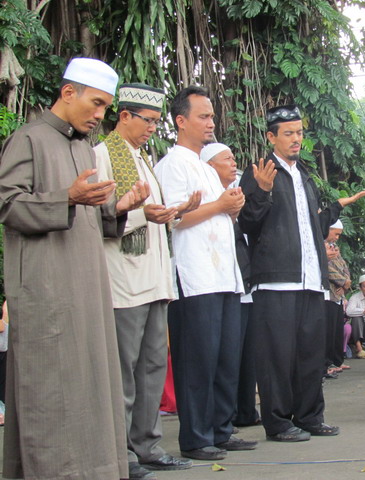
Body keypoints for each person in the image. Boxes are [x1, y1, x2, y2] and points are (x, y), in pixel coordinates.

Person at [0, 57, 150, 479]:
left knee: (90, 388)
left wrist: (117, 207)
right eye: (97, 104)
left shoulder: (82, 146)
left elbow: (90, 213)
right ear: (69, 93)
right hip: (47, 292)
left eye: (106, 106)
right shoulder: (27, 140)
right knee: (50, 391)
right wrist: (66, 197)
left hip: (87, 288)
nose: (101, 115)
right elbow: (7, 203)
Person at [238, 104, 365, 442]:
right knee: (277, 357)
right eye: (288, 134)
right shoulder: (258, 173)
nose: (296, 139)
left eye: (299, 132)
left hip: (311, 279)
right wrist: (262, 192)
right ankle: (279, 423)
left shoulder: (304, 175)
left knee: (311, 354)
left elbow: (312, 227)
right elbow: (248, 223)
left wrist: (338, 206)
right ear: (271, 137)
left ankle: (310, 416)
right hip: (275, 278)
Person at [94, 83, 199, 479]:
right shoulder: (102, 156)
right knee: (124, 370)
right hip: (122, 282)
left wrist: (176, 212)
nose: (154, 128)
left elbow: (149, 215)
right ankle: (122, 452)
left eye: (157, 122)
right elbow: (102, 218)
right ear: (124, 116)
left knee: (153, 365)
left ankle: (148, 445)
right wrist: (144, 216)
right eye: (149, 121)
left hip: (154, 281)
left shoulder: (141, 159)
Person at [155, 86, 255, 461]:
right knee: (197, 360)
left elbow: (219, 212)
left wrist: (230, 206)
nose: (211, 122)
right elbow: (175, 219)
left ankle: (221, 429)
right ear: (181, 121)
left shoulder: (207, 169)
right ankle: (196, 437)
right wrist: (219, 205)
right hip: (195, 277)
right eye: (203, 116)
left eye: (212, 116)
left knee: (226, 358)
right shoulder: (172, 164)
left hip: (225, 277)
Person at [200, 142, 261, 427]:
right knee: (227, 356)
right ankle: (226, 416)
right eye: (228, 159)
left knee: (248, 355)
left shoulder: (239, 193)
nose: (234, 163)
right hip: (217, 284)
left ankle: (247, 411)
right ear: (210, 165)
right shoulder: (207, 196)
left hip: (245, 283)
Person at [325, 219, 351, 377]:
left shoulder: (334, 247)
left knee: (336, 330)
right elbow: (327, 268)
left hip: (339, 295)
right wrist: (342, 281)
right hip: (328, 294)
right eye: (336, 234)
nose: (337, 238)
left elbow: (343, 265)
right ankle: (326, 363)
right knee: (327, 332)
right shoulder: (320, 244)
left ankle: (336, 360)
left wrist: (347, 282)